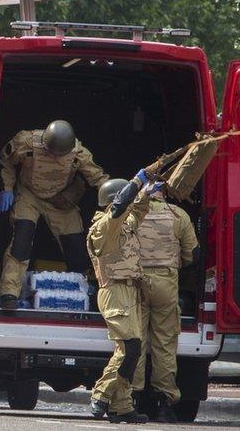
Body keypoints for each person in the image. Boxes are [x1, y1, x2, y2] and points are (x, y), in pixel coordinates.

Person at [0, 120, 108, 309]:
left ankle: (84, 291)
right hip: (29, 194)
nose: (55, 157)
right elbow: (6, 160)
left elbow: (97, 177)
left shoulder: (78, 153)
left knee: (76, 246)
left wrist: (116, 196)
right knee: (21, 241)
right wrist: (7, 187)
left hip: (59, 200)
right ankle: (9, 292)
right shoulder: (27, 142)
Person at [86, 168, 157, 424]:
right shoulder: (103, 227)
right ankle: (101, 394)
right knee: (130, 348)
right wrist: (137, 181)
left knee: (131, 351)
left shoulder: (123, 224)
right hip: (114, 290)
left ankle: (121, 406)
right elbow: (121, 207)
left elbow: (135, 212)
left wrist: (147, 194)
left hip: (131, 290)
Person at [131, 184, 199, 422]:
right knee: (164, 344)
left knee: (135, 342)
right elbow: (192, 254)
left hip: (136, 283)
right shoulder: (178, 215)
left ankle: (133, 398)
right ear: (165, 193)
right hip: (166, 284)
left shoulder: (132, 212)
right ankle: (164, 403)